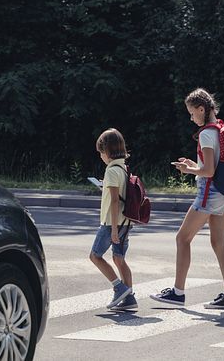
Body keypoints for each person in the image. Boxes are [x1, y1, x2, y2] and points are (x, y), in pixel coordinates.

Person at [150, 88, 224, 309]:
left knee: (182, 238)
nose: (191, 118)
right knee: (219, 244)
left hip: (210, 193)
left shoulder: (206, 134)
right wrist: (194, 165)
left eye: (192, 113)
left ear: (202, 109)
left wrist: (188, 170)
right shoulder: (220, 128)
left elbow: (208, 171)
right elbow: (213, 166)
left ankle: (177, 294)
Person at [89, 128, 137, 311]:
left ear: (107, 151)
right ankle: (129, 298)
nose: (101, 156)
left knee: (95, 256)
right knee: (119, 258)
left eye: (101, 152)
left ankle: (119, 288)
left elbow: (115, 200)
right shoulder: (123, 167)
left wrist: (114, 230)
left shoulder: (111, 171)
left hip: (112, 223)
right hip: (126, 221)